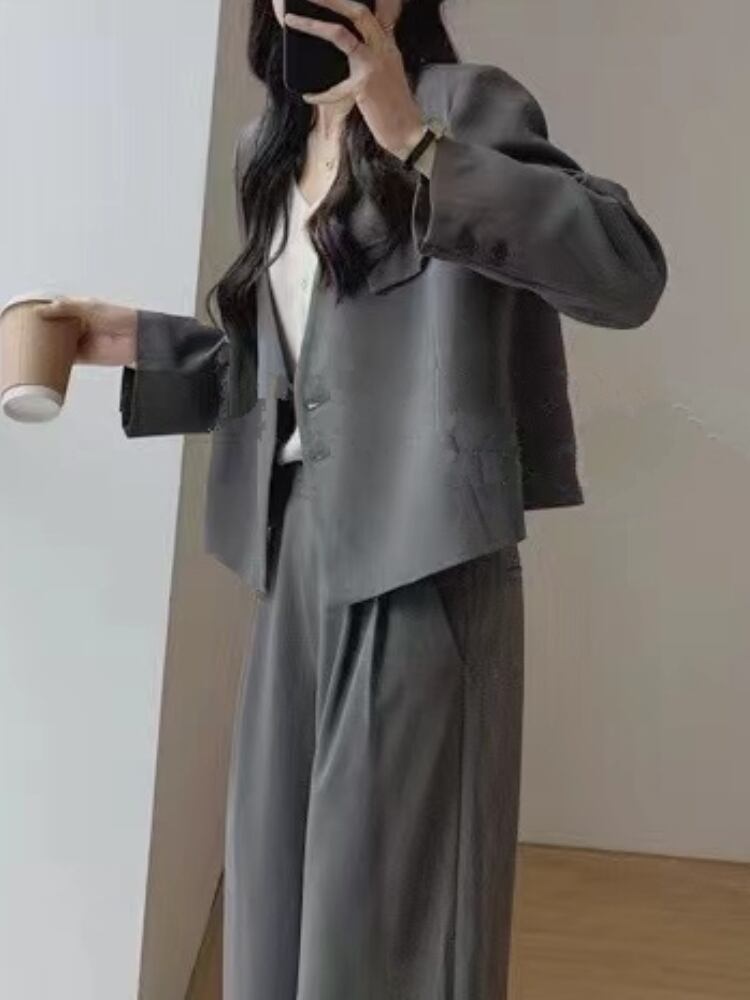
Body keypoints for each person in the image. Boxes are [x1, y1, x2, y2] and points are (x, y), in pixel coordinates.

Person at [38, 0, 668, 996]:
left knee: (387, 930)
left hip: (423, 560)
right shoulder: (269, 144)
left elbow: (625, 276)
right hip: (292, 558)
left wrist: (413, 136)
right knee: (270, 900)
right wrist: (123, 338)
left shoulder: (466, 105)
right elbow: (290, 380)